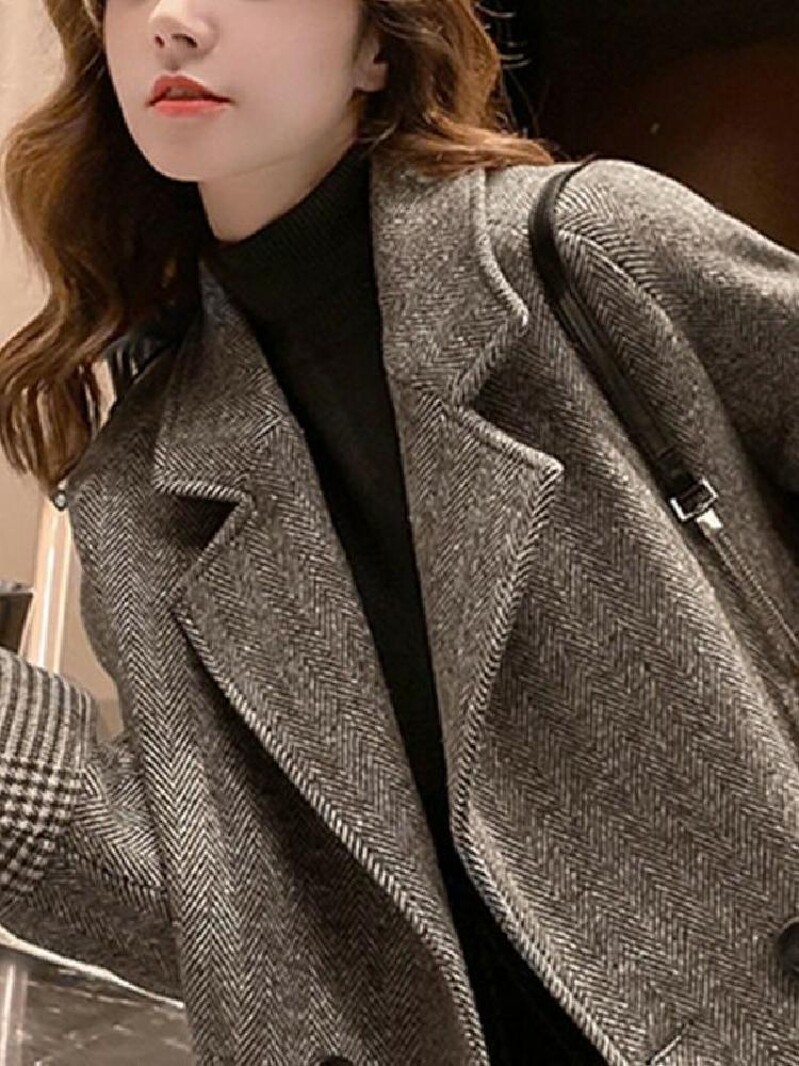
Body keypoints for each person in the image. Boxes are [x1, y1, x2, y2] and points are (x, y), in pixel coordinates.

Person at [1, 1, 798, 1064]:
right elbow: (243, 936)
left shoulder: (583, 251)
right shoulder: (142, 484)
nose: (173, 21)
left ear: (379, 45)